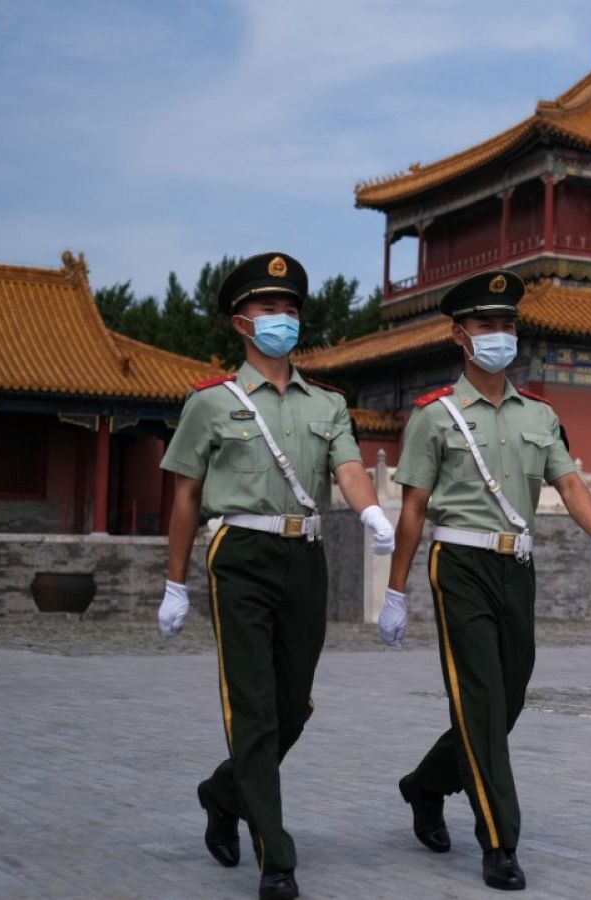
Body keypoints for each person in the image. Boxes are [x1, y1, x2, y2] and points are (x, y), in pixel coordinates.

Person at [157, 252, 397, 900]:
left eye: (290, 310)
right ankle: (277, 858)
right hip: (240, 555)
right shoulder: (210, 404)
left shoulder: (328, 403)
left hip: (306, 559)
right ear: (241, 322)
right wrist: (175, 581)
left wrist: (371, 510)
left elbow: (347, 468)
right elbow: (184, 496)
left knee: (293, 706)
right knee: (255, 709)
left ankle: (223, 791)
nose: (281, 320)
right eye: (269, 310)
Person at [380, 269, 591, 891]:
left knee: (506, 701)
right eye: (487, 325)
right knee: (483, 702)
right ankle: (499, 840)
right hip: (458, 564)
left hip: (518, 566)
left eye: (508, 324)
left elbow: (568, 481)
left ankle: (426, 784)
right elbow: (412, 508)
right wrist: (394, 589)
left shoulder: (538, 415)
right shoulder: (435, 417)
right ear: (461, 335)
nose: (500, 335)